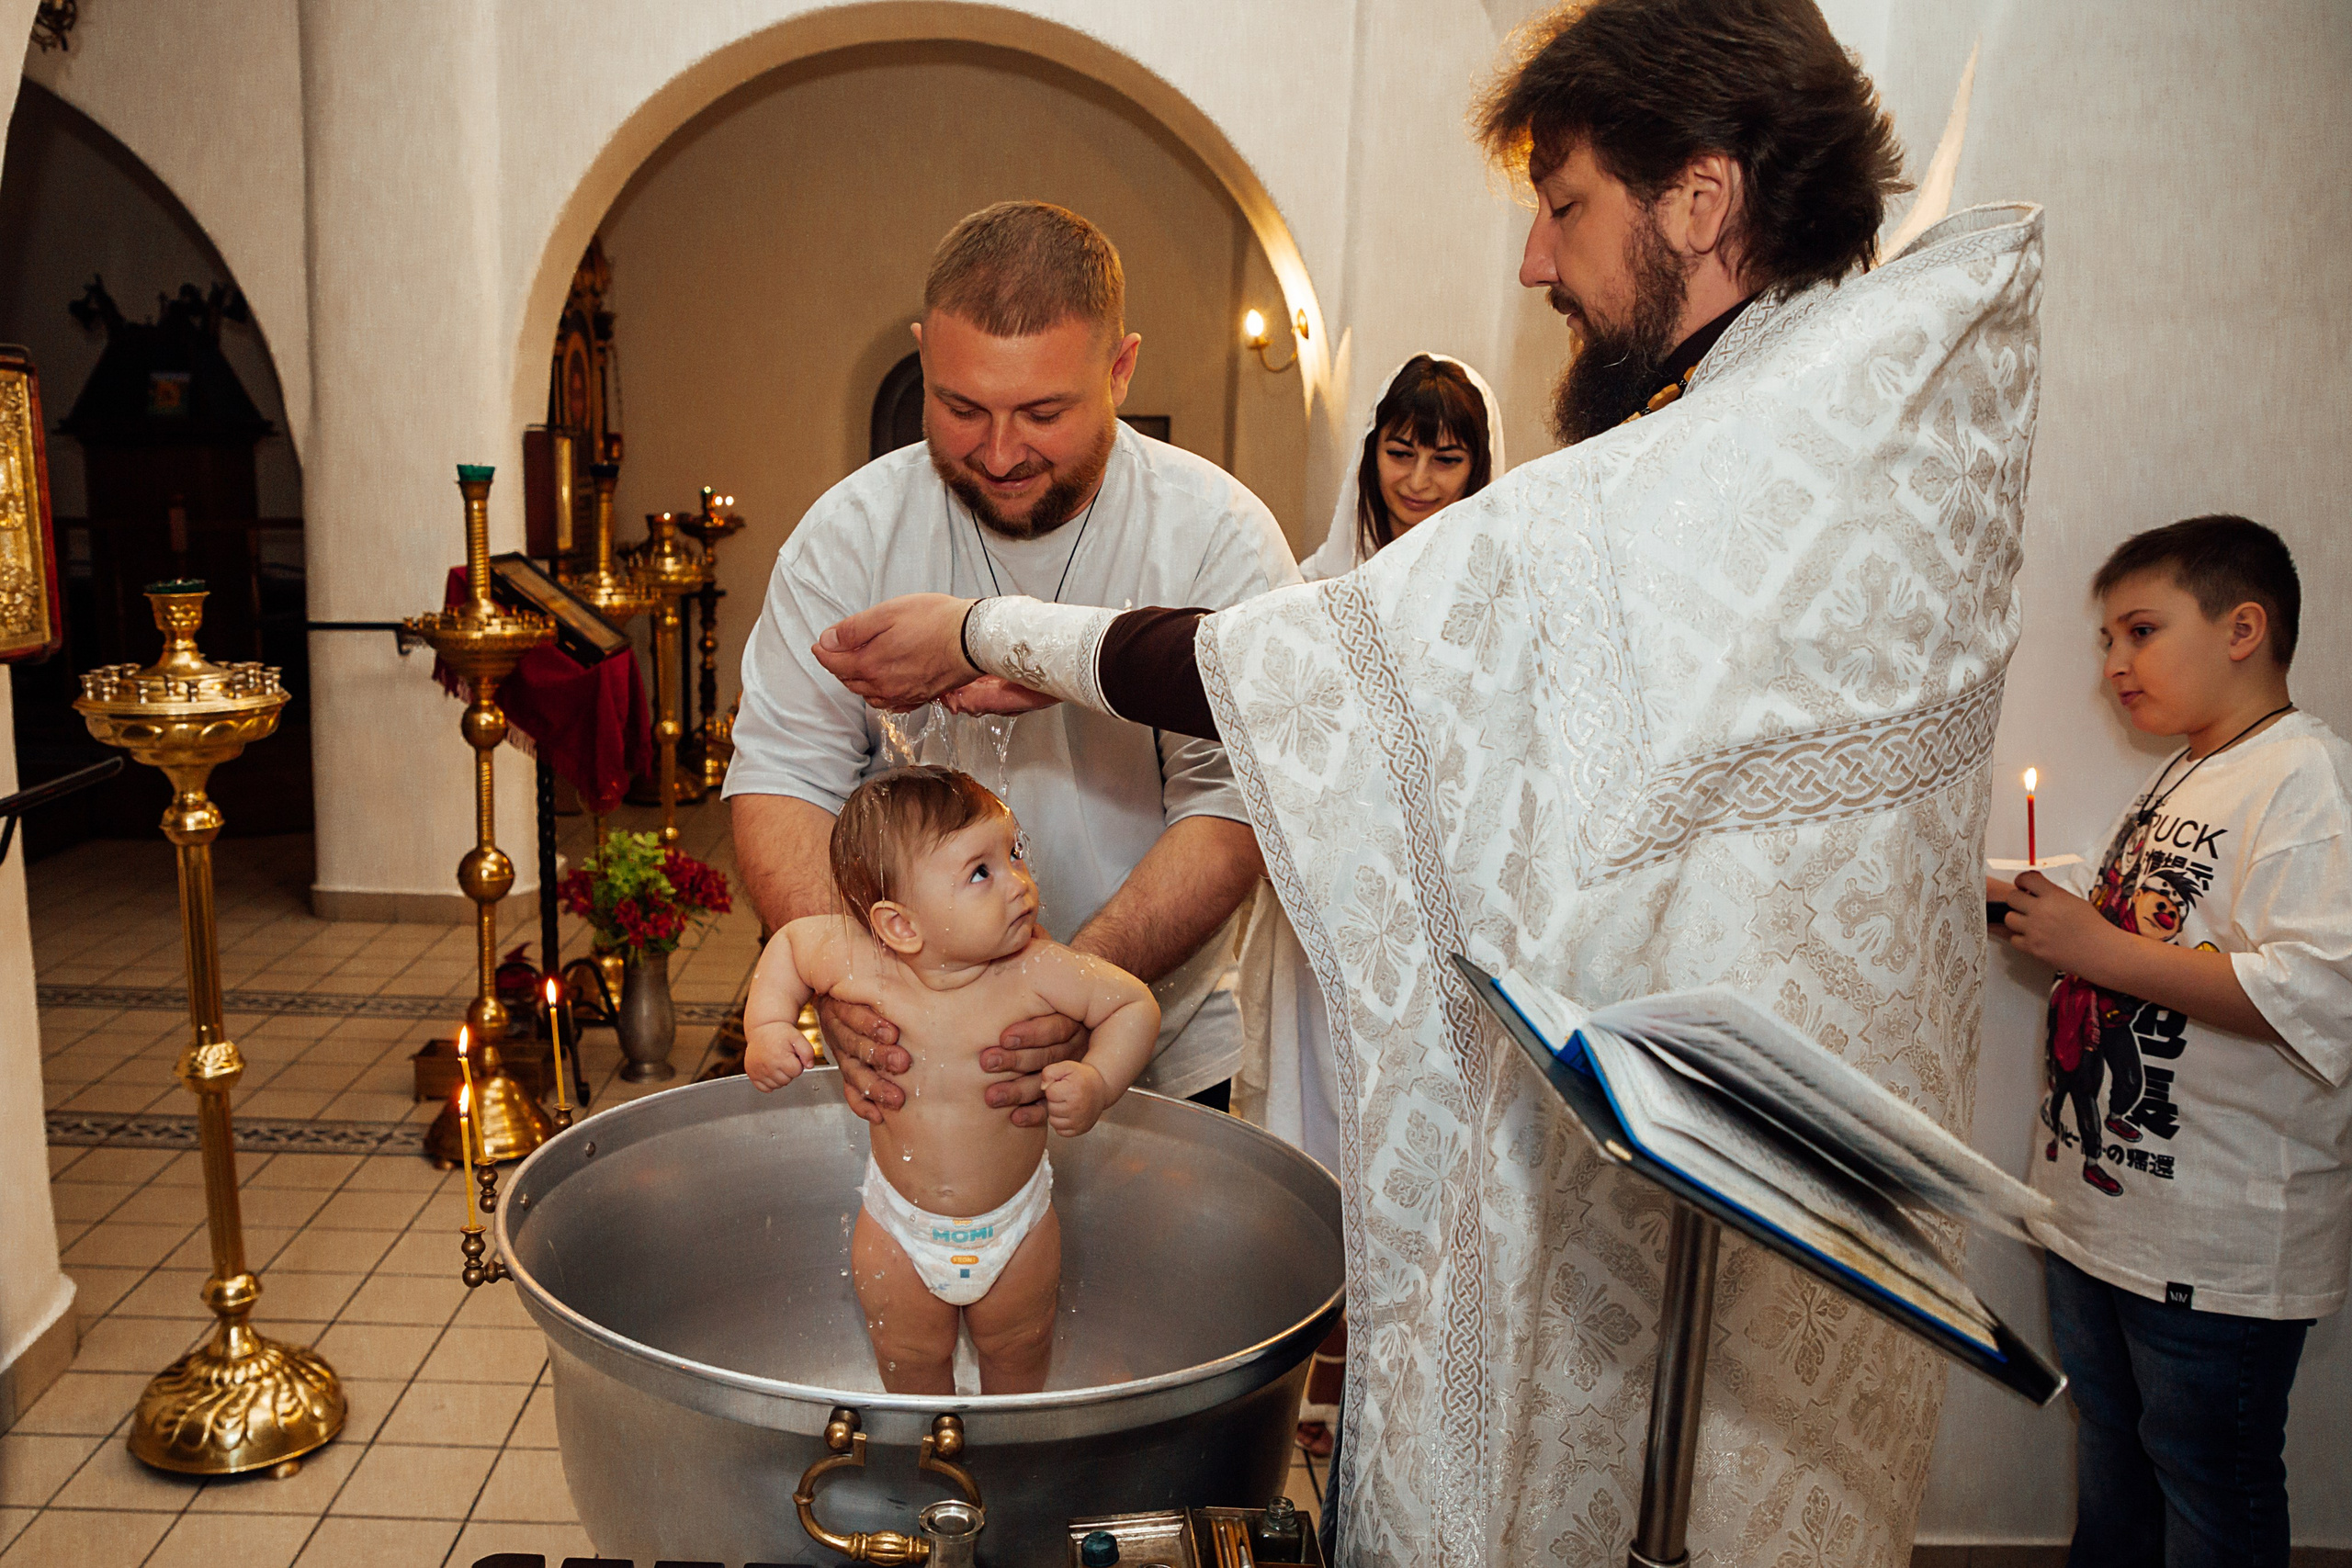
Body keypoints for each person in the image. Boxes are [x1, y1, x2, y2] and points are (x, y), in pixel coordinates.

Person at [813, 1, 2041, 1562]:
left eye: (1565, 201)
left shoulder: (1744, 463)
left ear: (1704, 198)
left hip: (1728, 1217)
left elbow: (1334, 660)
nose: (1536, 261)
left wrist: (988, 631)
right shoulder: (1812, 423)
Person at [724, 200, 1297, 1127]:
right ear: (923, 357)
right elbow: (784, 775)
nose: (998, 452)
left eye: (1042, 411)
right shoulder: (848, 536)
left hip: (1152, 1050)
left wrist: (1078, 984)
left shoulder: (1215, 538)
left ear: (1119, 368)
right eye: (960, 408)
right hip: (901, 1055)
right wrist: (860, 977)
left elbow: (1231, 804)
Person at [1991, 517, 2352, 1567]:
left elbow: (2318, 991)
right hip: (2108, 1218)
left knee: (2208, 1482)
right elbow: (2160, 946)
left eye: (2139, 632)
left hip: (2216, 1243)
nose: (2113, 668)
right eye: (2106, 641)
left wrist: (2092, 946)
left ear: (2243, 627)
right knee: (2113, 1453)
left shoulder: (2306, 780)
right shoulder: (2190, 773)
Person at [742, 766, 1159, 1396]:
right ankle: (933, 1475)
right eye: (980, 872)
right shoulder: (860, 961)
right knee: (909, 1361)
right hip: (897, 1225)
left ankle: (1004, 1468)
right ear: (901, 926)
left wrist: (1099, 1081)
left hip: (1016, 1227)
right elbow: (791, 948)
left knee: (1018, 1353)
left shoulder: (1038, 970)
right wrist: (768, 1026)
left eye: (1014, 852)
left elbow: (1133, 1006)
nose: (1020, 882)